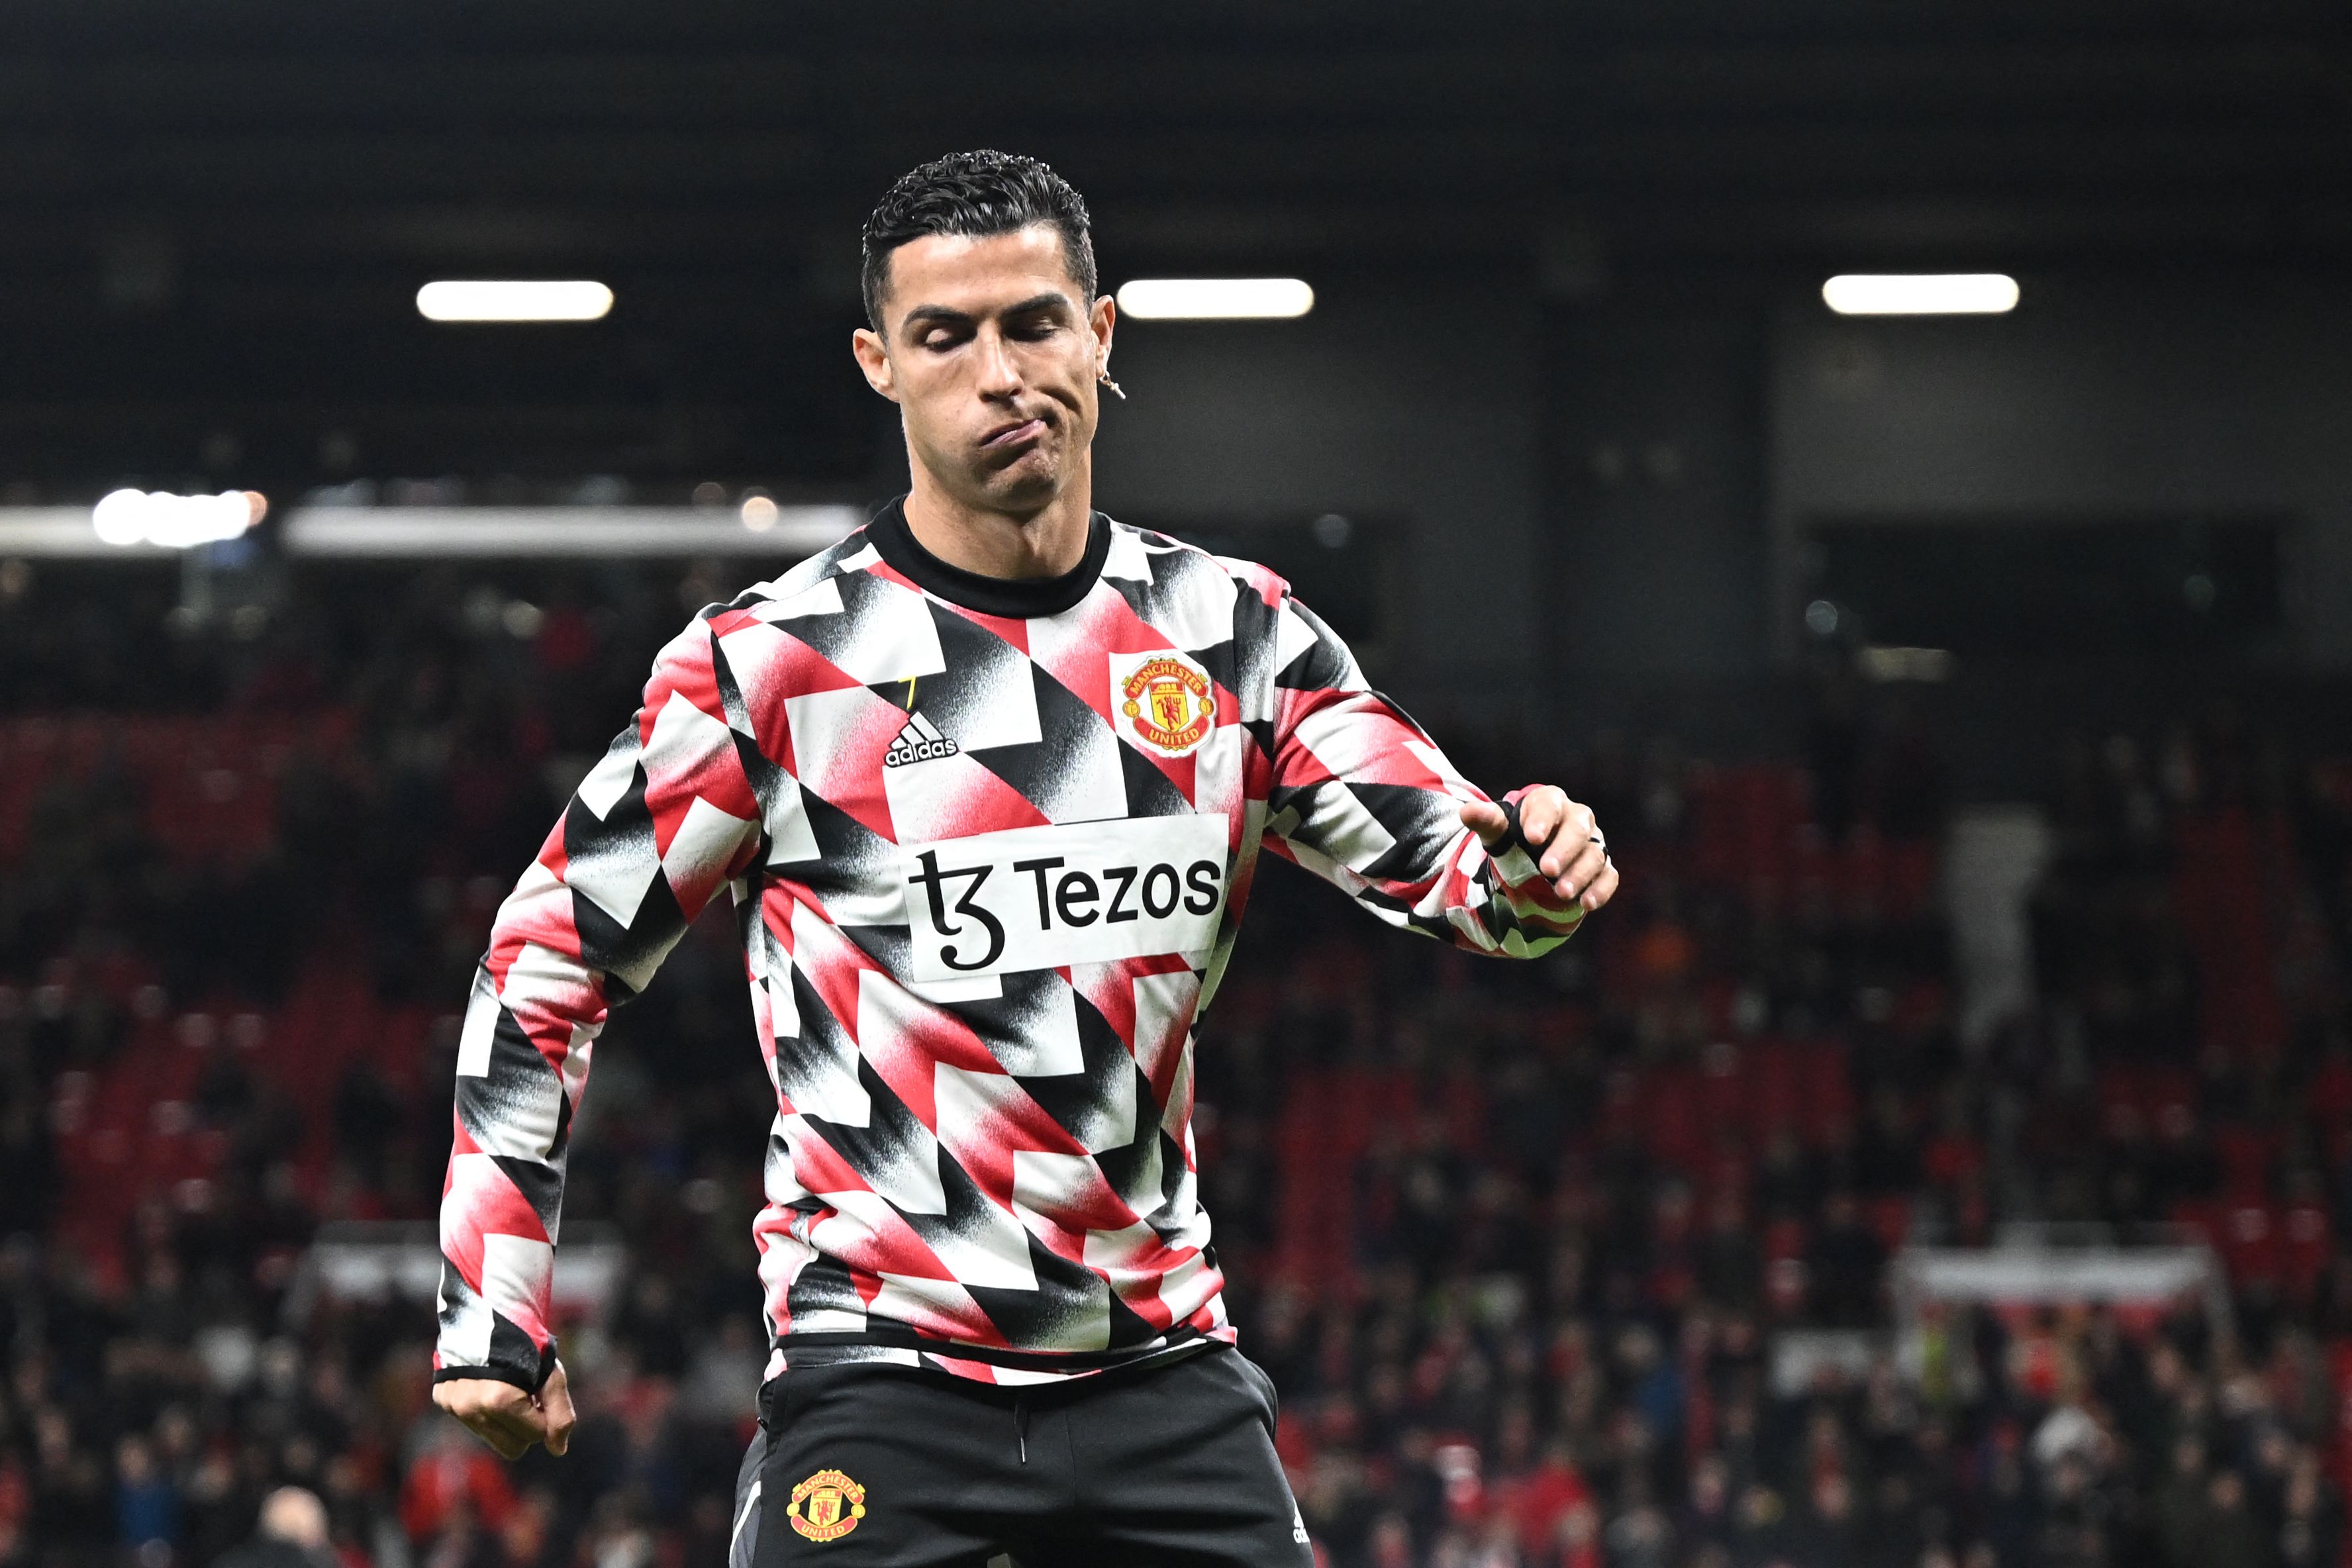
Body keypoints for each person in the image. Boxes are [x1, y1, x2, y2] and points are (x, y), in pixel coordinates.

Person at [428, 148, 1618, 1566]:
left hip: (1159, 1368)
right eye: (946, 335)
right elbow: (545, 957)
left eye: (1034, 323)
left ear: (1100, 334)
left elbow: (1468, 882)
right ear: (881, 362)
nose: (1000, 371)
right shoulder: (775, 667)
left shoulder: (1232, 635)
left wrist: (1540, 870)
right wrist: (493, 1305)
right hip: (881, 1373)